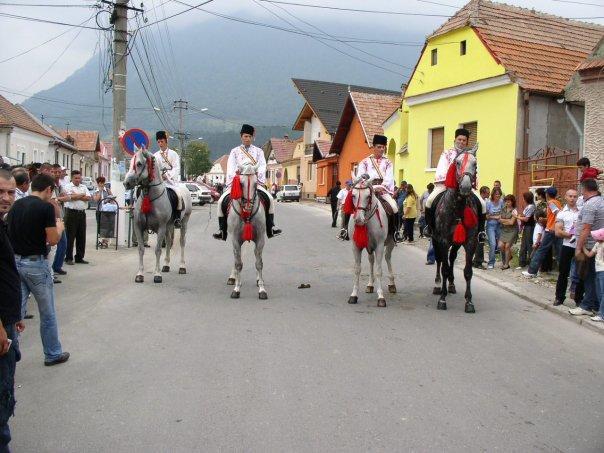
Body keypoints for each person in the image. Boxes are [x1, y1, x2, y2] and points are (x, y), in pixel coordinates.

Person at [6, 173, 70, 366]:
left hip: (16, 262)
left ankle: (10, 352)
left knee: (16, 311)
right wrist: (59, 227)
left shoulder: (16, 205)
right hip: (36, 264)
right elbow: (52, 239)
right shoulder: (45, 208)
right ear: (49, 189)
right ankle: (52, 353)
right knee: (47, 312)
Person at [213, 124, 281, 240]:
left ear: (252, 137)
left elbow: (262, 166)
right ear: (241, 137)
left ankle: (271, 227)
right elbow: (230, 167)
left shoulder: (259, 151)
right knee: (220, 202)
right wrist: (237, 175)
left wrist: (258, 177)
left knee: (269, 198)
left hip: (254, 182)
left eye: (250, 136)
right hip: (238, 183)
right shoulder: (234, 152)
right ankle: (222, 230)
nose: (247, 138)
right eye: (245, 136)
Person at [0, 169, 25, 451]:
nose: (6, 198)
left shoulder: (3, 224)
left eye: (10, 192)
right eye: (0, 193)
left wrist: (14, 316)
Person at [424, 128, 486, 238]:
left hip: (466, 186)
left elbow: (475, 170)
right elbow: (442, 169)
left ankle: (480, 232)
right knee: (429, 200)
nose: (461, 142)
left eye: (464, 140)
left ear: (467, 142)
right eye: (459, 139)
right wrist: (451, 182)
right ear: (455, 140)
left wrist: (471, 183)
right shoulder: (447, 153)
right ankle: (429, 227)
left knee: (482, 203)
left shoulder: (470, 155)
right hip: (446, 185)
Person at [338, 134, 399, 241]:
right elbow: (360, 177)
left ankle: (396, 232)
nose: (381, 149)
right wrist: (368, 187)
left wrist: (382, 187)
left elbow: (389, 177)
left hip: (382, 190)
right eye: (379, 147)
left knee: (394, 207)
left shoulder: (388, 162)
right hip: (367, 189)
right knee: (351, 204)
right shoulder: (365, 162)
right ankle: (345, 229)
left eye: (383, 147)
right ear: (373, 147)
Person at [570, 179, 604, 316]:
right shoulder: (601, 201)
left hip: (589, 245)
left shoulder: (590, 205)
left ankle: (587, 305)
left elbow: (586, 228)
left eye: (581, 190)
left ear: (585, 189)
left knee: (589, 277)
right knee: (595, 277)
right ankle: (595, 304)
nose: (580, 193)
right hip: (597, 245)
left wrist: (579, 247)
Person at [522, 187, 562, 278]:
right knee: (559, 252)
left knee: (541, 250)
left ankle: (532, 271)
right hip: (557, 229)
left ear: (547, 194)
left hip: (550, 229)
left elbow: (557, 213)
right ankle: (565, 272)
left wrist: (545, 219)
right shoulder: (558, 202)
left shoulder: (551, 203)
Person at [154, 131, 188, 228]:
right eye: (158, 142)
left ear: (166, 141)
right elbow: (154, 169)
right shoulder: (155, 155)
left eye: (162, 141)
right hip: (160, 181)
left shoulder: (174, 154)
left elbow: (177, 168)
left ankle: (177, 218)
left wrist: (167, 176)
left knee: (178, 195)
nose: (160, 144)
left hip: (171, 181)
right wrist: (160, 175)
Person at [553, 189, 580, 306]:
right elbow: (557, 232)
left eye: (575, 196)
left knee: (580, 273)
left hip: (580, 246)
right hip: (567, 245)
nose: (572, 198)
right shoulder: (562, 213)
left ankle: (579, 299)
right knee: (563, 272)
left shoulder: (582, 211)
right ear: (565, 197)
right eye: (570, 196)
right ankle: (559, 297)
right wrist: (570, 234)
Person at [63, 170, 91, 265]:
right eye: (76, 178)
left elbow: (88, 198)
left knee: (81, 236)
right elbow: (70, 197)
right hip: (71, 213)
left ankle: (79, 257)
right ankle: (68, 258)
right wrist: (81, 195)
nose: (77, 180)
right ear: (72, 178)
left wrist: (77, 196)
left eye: (79, 178)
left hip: (81, 213)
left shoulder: (84, 187)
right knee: (70, 236)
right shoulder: (67, 186)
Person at [582, 227, 604, 322]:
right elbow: (590, 254)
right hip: (598, 270)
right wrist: (582, 247)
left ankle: (602, 314)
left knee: (602, 293)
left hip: (602, 271)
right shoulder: (597, 244)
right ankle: (600, 311)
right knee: (599, 292)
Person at [93, 176, 117, 248]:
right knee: (100, 226)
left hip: (107, 210)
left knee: (107, 226)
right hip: (99, 210)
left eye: (103, 183)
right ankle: (101, 241)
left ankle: (105, 242)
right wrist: (100, 191)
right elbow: (96, 200)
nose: (102, 184)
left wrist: (110, 199)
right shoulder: (96, 191)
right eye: (100, 183)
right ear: (98, 183)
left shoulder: (107, 190)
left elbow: (112, 198)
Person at [498, 194, 518, 269]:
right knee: (500, 246)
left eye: (509, 202)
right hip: (504, 230)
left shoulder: (514, 210)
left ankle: (506, 264)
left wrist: (504, 221)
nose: (507, 203)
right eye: (506, 201)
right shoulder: (503, 209)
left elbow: (512, 222)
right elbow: (499, 220)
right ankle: (509, 256)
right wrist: (507, 221)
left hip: (512, 230)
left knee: (507, 246)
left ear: (512, 202)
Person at [472, 186, 491, 269]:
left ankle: (477, 259)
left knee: (480, 242)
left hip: (481, 224)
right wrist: (486, 216)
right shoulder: (479, 201)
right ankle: (478, 262)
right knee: (480, 242)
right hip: (478, 225)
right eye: (488, 192)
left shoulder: (484, 200)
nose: (489, 194)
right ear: (483, 192)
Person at [485, 187, 503, 269]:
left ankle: (504, 261)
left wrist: (500, 217)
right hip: (491, 226)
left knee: (501, 244)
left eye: (499, 194)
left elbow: (503, 213)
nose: (498, 196)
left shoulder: (501, 202)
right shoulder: (488, 203)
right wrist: (496, 217)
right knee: (492, 244)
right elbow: (486, 216)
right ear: (493, 195)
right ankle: (491, 262)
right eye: (496, 194)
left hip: (499, 225)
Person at [517, 191, 536, 268]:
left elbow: (526, 219)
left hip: (529, 227)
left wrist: (517, 217)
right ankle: (522, 262)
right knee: (524, 245)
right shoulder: (528, 206)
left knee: (529, 244)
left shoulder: (531, 206)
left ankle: (532, 263)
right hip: (526, 227)